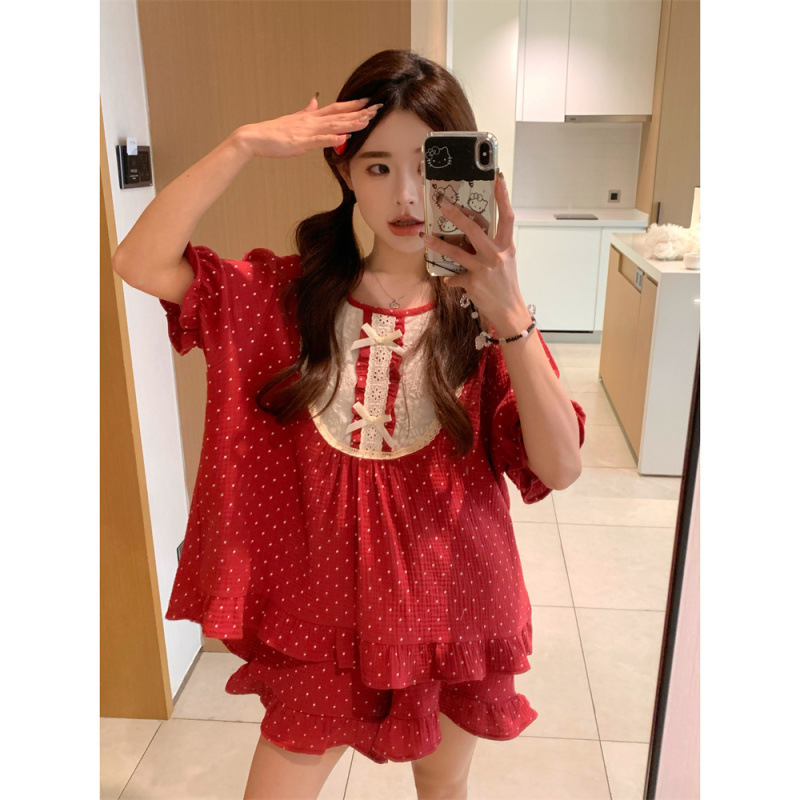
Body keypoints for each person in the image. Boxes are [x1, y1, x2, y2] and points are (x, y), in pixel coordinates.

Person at [112, 49, 585, 800]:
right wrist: (241, 145)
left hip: (453, 612)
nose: (406, 195)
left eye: (427, 168)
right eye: (377, 167)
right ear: (344, 172)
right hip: (323, 624)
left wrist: (510, 316)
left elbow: (560, 467)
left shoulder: (484, 316)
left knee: (444, 790)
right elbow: (139, 262)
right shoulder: (283, 299)